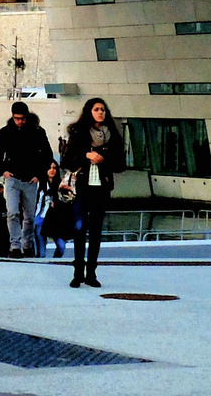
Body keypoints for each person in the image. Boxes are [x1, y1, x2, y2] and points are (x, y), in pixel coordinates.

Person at [60, 97, 124, 289]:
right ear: (89, 111)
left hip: (101, 188)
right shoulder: (79, 133)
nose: (100, 112)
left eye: (103, 109)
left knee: (96, 232)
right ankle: (77, 273)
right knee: (79, 229)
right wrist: (86, 156)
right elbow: (66, 161)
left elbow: (121, 164)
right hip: (81, 188)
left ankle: (92, 273)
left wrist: (103, 158)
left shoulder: (112, 135)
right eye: (96, 109)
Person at [0, 102, 53, 258]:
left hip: (31, 180)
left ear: (27, 117)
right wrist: (2, 170)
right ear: (12, 117)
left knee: (29, 216)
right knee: (12, 212)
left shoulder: (38, 132)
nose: (20, 121)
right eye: (17, 118)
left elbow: (47, 155)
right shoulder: (5, 132)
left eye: (22, 118)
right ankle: (15, 245)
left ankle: (27, 244)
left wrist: (39, 174)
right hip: (12, 178)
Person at [40, 163, 76, 259]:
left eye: (54, 168)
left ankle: (55, 262)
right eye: (49, 167)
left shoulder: (60, 185)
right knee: (41, 251)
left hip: (54, 219)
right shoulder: (39, 183)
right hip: (39, 217)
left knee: (61, 247)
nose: (52, 170)